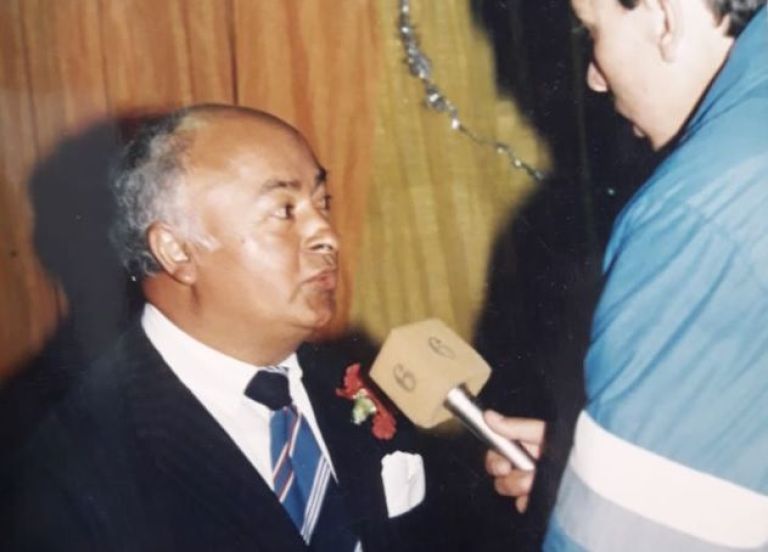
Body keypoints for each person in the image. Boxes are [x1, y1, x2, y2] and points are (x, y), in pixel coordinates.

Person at [0, 105, 467, 551]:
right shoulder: (67, 467)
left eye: (322, 202)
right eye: (284, 211)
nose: (328, 235)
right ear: (177, 251)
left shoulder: (369, 383)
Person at [485, 0, 768, 550]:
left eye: (593, 31)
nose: (594, 78)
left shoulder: (693, 216)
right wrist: (612, 470)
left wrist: (598, 512)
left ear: (665, 18)